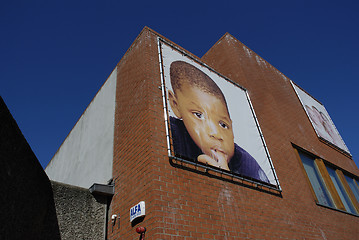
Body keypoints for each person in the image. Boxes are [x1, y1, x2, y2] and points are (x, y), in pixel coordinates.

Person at [167, 60, 269, 183]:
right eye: (199, 115)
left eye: (223, 125)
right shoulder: (169, 134)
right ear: (175, 105)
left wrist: (226, 178)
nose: (216, 134)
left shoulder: (245, 162)